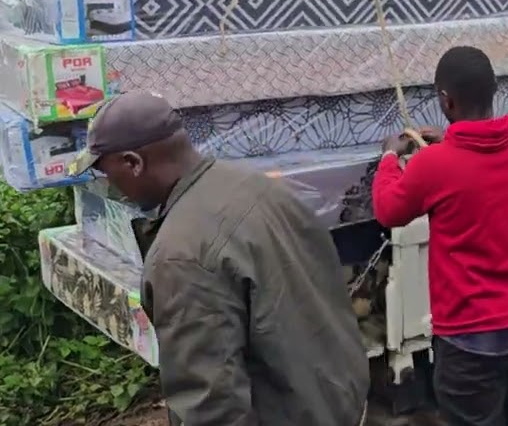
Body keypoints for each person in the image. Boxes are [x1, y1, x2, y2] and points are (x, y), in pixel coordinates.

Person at [68, 91, 370, 426]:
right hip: (336, 401)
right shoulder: (263, 188)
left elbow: (211, 404)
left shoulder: (180, 256)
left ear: (133, 163)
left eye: (105, 172)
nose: (111, 185)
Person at [373, 45, 508, 426]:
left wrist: (390, 159)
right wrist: (453, 140)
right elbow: (482, 169)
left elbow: (389, 209)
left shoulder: (432, 166)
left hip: (471, 339)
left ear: (446, 100)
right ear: (494, 91)